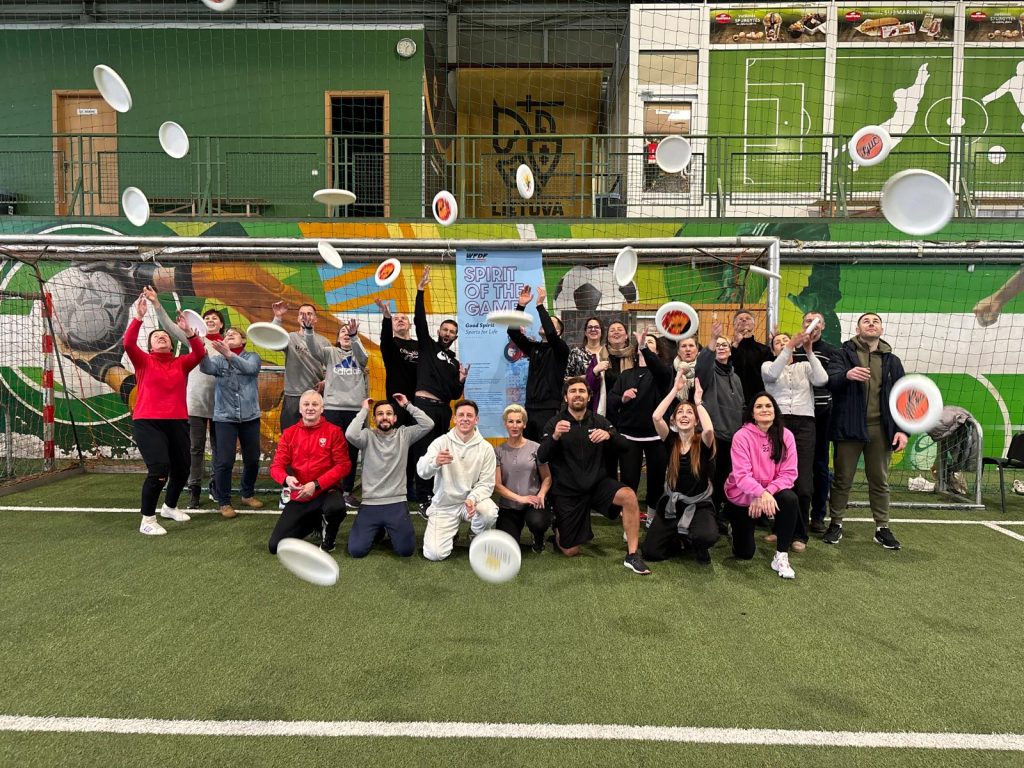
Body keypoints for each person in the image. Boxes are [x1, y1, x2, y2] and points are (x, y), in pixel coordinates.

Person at [537, 377, 651, 575]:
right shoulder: (555, 423)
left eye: (582, 391)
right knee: (570, 551)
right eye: (573, 391)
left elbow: (625, 446)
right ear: (565, 397)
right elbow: (542, 456)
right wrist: (555, 437)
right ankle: (558, 526)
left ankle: (632, 555)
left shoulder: (599, 421)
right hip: (568, 491)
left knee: (629, 495)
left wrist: (610, 436)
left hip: (597, 485)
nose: (577, 395)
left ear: (589, 397)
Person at [123, 291, 206, 535]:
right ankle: (147, 520)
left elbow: (199, 354)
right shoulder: (143, 361)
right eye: (156, 337)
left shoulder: (181, 363)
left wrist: (189, 332)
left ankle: (169, 507)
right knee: (159, 469)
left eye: (165, 336)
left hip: (178, 422)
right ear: (150, 347)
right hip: (148, 423)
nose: (161, 337)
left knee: (182, 468)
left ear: (172, 344)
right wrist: (138, 317)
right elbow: (128, 344)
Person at [823, 313, 907, 550]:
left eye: (875, 321)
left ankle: (882, 528)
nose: (871, 324)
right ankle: (836, 523)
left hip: (881, 429)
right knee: (842, 479)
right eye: (866, 321)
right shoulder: (842, 354)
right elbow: (830, 380)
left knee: (879, 480)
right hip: (849, 426)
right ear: (857, 329)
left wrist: (902, 430)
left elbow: (903, 398)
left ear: (881, 329)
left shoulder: (893, 361)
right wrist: (846, 375)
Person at [144, 286, 227, 509]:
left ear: (221, 325)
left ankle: (217, 488)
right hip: (195, 403)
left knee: (219, 450)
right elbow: (169, 326)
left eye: (215, 318)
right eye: (207, 318)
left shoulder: (228, 345)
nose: (210, 320)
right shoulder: (194, 341)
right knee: (195, 450)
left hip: (221, 406)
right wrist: (156, 304)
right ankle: (194, 491)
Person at [760, 329, 827, 550]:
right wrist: (789, 347)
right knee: (778, 477)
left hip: (805, 425)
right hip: (779, 424)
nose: (782, 343)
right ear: (773, 350)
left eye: (786, 341)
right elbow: (772, 376)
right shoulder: (768, 366)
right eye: (778, 342)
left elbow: (822, 379)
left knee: (803, 484)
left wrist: (809, 351)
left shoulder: (805, 366)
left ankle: (800, 534)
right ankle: (779, 529)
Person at [642, 371, 718, 565]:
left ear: (696, 421)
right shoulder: (671, 441)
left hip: (699, 504)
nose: (684, 415)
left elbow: (709, 429)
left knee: (706, 536)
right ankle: (679, 539)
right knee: (651, 552)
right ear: (674, 420)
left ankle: (696, 543)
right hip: (672, 504)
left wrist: (698, 403)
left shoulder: (703, 442)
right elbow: (656, 416)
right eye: (680, 413)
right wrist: (674, 390)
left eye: (689, 413)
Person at [410, 266, 470, 512]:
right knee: (423, 451)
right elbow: (419, 321)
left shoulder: (455, 362)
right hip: (424, 406)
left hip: (444, 410)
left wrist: (462, 379)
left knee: (440, 451)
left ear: (455, 337)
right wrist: (420, 291)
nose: (448, 333)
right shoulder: (427, 346)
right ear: (439, 331)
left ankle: (436, 494)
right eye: (445, 329)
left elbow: (455, 395)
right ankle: (422, 497)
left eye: (452, 332)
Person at [345, 393, 433, 558]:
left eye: (388, 413)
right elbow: (350, 434)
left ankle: (387, 529)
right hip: (370, 503)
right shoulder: (367, 436)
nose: (384, 417)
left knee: (405, 551)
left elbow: (428, 424)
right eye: (380, 414)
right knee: (356, 551)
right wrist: (364, 410)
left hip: (396, 503)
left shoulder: (404, 435)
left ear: (394, 418)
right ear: (374, 419)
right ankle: (378, 530)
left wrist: (407, 405)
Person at [723, 392, 800, 579]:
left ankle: (781, 556)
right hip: (742, 496)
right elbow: (742, 476)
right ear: (752, 413)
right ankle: (734, 526)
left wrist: (766, 493)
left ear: (775, 410)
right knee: (744, 553)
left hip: (769, 494)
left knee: (790, 499)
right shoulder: (741, 436)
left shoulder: (786, 436)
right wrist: (758, 493)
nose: (764, 409)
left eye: (768, 406)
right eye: (759, 406)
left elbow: (789, 474)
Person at [268, 390, 351, 554]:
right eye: (306, 404)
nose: (310, 408)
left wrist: (316, 484)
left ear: (322, 408)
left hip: (326, 491)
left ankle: (329, 539)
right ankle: (315, 523)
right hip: (301, 495)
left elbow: (344, 465)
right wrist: (287, 479)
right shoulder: (289, 434)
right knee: (275, 546)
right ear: (300, 409)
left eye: (315, 404)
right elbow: (275, 467)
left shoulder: (334, 432)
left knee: (336, 507)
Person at [416, 399, 499, 562]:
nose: (465, 419)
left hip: (471, 503)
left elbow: (487, 483)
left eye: (469, 415)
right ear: (454, 419)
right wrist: (435, 462)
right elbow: (421, 471)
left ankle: (475, 533)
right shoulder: (441, 442)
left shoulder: (486, 448)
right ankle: (452, 533)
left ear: (476, 420)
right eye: (461, 415)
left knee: (489, 513)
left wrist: (472, 498)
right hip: (445, 505)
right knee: (434, 554)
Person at [607, 327, 673, 523]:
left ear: (657, 351)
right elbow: (611, 400)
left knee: (656, 480)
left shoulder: (663, 373)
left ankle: (652, 517)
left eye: (651, 342)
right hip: (629, 436)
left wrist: (644, 346)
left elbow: (660, 369)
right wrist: (623, 398)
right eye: (644, 343)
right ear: (636, 352)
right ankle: (631, 519)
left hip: (656, 436)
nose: (646, 345)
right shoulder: (626, 375)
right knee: (629, 480)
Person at [200, 327, 263, 518]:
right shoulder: (218, 360)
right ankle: (224, 502)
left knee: (252, 459)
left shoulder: (252, 357)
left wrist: (229, 354)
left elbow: (250, 369)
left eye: (233, 334)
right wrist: (202, 352)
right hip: (225, 418)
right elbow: (206, 368)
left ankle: (247, 494)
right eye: (226, 335)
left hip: (250, 417)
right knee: (225, 461)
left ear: (243, 340)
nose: (228, 336)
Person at [305, 318, 368, 508]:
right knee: (329, 451)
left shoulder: (359, 353)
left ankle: (347, 492)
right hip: (332, 408)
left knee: (350, 452)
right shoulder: (330, 352)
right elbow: (313, 350)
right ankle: (329, 488)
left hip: (354, 410)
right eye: (343, 332)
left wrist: (355, 337)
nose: (346, 334)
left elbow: (363, 358)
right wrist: (309, 330)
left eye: (349, 332)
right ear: (338, 337)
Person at [791, 311, 839, 533]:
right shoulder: (793, 348)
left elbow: (830, 381)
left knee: (819, 464)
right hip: (796, 416)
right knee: (792, 464)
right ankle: (791, 513)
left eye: (817, 321)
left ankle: (818, 515)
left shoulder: (831, 352)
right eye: (809, 321)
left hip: (821, 414)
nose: (813, 324)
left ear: (823, 326)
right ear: (803, 324)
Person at [695, 322, 745, 529]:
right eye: (718, 345)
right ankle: (706, 517)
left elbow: (741, 406)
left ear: (731, 351)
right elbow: (701, 366)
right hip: (713, 436)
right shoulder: (708, 373)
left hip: (732, 438)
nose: (721, 347)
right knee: (710, 479)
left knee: (725, 478)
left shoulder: (736, 378)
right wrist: (713, 339)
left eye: (725, 345)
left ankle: (719, 515)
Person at [506, 285, 570, 442]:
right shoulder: (534, 347)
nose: (544, 324)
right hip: (529, 407)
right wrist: (521, 306)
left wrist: (540, 305)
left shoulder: (561, 349)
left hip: (549, 409)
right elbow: (512, 332)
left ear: (559, 332)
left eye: (550, 322)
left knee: (546, 449)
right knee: (529, 450)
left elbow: (551, 334)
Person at [494, 404, 552, 553]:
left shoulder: (536, 448)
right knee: (508, 547)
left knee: (538, 523)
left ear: (524, 424)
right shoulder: (498, 451)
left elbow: (547, 477)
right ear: (505, 424)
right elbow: (497, 485)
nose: (514, 426)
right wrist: (520, 498)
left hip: (533, 503)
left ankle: (538, 538)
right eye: (511, 421)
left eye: (518, 421)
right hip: (509, 505)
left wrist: (541, 494)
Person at [270, 301, 329, 432]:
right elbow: (273, 342)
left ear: (315, 319)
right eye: (302, 314)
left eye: (309, 314)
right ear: (297, 318)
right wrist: (278, 317)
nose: (305, 316)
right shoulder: (290, 338)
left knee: (315, 435)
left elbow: (333, 367)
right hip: (292, 396)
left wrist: (326, 381)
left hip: (315, 395)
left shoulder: (324, 341)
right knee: (289, 434)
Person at [374, 298, 419, 420]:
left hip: (419, 401)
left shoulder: (420, 346)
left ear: (410, 325)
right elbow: (386, 337)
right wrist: (387, 317)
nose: (400, 320)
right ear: (392, 326)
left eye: (403, 318)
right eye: (396, 319)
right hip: (397, 401)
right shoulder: (390, 345)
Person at [730, 309, 771, 405]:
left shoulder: (764, 350)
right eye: (740, 319)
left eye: (747, 318)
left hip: (757, 399)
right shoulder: (727, 350)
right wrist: (736, 344)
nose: (744, 320)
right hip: (733, 399)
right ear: (734, 326)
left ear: (753, 325)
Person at [564, 316, 605, 381]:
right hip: (582, 387)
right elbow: (566, 378)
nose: (593, 329)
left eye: (596, 327)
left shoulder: (607, 352)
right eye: (590, 327)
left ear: (601, 332)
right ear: (585, 332)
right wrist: (589, 376)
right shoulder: (576, 353)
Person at [673, 336, 701, 402]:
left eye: (691, 345)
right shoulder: (671, 371)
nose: (688, 349)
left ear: (697, 350)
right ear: (678, 351)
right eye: (683, 346)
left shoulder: (704, 369)